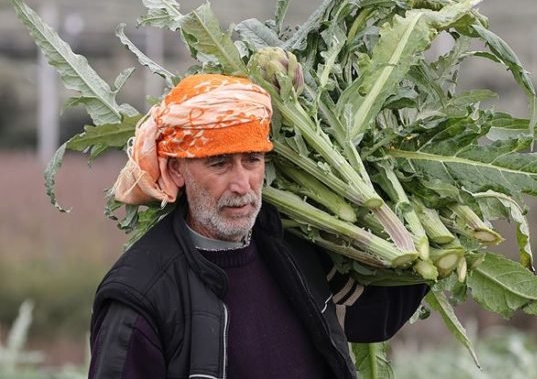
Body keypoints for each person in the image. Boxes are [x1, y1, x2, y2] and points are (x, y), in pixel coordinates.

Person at [88, 74, 428, 379]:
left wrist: (431, 235)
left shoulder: (291, 248)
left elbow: (370, 315)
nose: (242, 184)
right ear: (177, 171)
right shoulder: (140, 296)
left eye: (252, 160)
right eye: (219, 163)